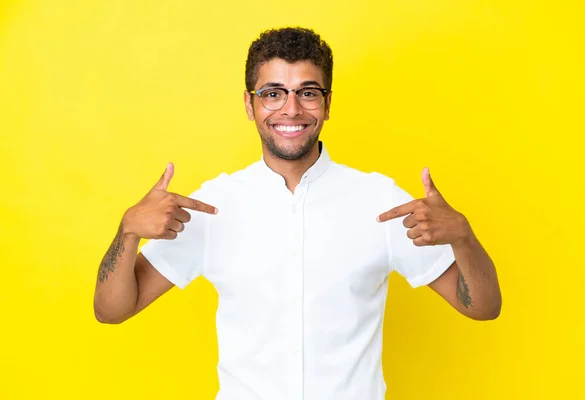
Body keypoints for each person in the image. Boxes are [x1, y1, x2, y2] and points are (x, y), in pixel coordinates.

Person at [93, 27, 502, 400]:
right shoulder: (212, 205)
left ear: (326, 104)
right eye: (273, 93)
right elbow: (112, 311)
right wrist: (128, 232)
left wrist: (463, 236)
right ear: (250, 106)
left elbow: (482, 307)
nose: (291, 109)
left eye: (307, 92)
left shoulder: (380, 200)